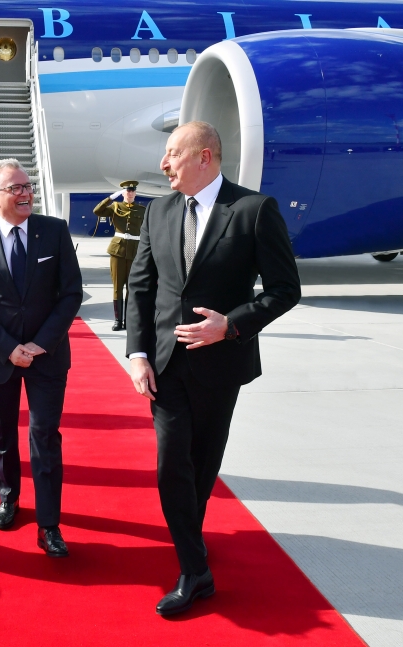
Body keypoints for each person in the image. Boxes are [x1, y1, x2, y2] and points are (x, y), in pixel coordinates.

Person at [126, 122, 301, 615]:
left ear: (204, 157)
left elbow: (285, 290)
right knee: (170, 465)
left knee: (202, 464)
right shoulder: (159, 211)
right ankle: (194, 570)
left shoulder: (253, 210)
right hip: (164, 363)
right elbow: (141, 287)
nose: (164, 163)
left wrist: (231, 325)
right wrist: (138, 354)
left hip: (220, 365)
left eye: (173, 153)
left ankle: (190, 538)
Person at [0, 158, 82, 557]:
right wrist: (9, 348)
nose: (26, 193)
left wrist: (41, 343)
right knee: (3, 434)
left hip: (48, 355)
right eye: (16, 188)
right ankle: (8, 496)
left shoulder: (54, 231)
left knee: (44, 436)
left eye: (28, 186)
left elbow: (71, 294)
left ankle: (49, 525)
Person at [94, 180, 145, 331]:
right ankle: (118, 320)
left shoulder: (142, 210)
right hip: (118, 250)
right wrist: (110, 198)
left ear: (135, 193)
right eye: (128, 191)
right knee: (117, 287)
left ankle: (128, 321)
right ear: (123, 193)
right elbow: (97, 211)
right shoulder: (115, 207)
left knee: (131, 287)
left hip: (135, 251)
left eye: (132, 190)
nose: (130, 193)